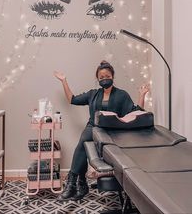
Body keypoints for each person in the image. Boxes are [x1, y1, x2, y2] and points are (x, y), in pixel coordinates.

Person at [54, 60, 149, 201]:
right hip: (93, 127)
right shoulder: (93, 94)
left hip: (112, 131)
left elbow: (136, 112)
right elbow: (72, 99)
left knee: (82, 143)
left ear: (112, 77)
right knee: (83, 142)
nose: (104, 79)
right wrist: (64, 81)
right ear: (98, 79)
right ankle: (73, 184)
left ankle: (77, 184)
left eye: (107, 76)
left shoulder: (122, 95)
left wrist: (142, 95)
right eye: (101, 77)